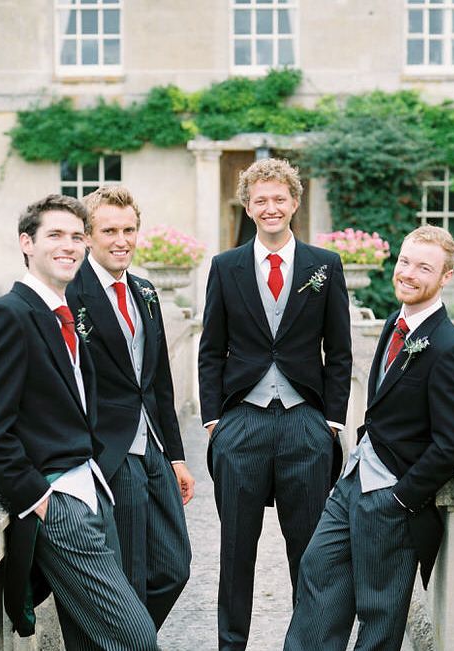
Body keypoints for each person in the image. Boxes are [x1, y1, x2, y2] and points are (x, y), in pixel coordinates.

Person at [0, 194, 158, 651]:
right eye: (55, 235)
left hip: (92, 489)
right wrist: (36, 495)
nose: (68, 246)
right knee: (136, 638)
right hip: (59, 502)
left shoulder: (61, 314)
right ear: (27, 243)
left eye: (76, 237)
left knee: (90, 641)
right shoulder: (6, 316)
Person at [284, 225, 454, 651]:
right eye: (405, 261)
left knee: (379, 614)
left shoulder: (450, 348)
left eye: (423, 267)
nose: (407, 273)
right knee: (316, 573)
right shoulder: (396, 322)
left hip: (391, 497)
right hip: (353, 480)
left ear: (445, 277)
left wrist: (402, 499)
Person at [198, 158, 352, 650]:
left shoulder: (324, 266)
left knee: (308, 552)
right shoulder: (225, 267)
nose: (270, 208)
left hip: (304, 423)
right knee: (236, 551)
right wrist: (214, 420)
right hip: (241, 421)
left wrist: (329, 421)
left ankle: (306, 643)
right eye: (260, 200)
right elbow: (210, 348)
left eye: (279, 199)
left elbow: (340, 349)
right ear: (248, 206)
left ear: (294, 203)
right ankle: (231, 644)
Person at [66, 185, 193, 629]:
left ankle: (133, 638)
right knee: (129, 576)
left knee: (175, 566)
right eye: (110, 231)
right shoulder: (70, 295)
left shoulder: (145, 290)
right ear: (87, 237)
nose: (122, 240)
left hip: (153, 446)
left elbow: (159, 381)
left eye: (130, 229)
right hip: (108, 451)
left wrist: (176, 456)